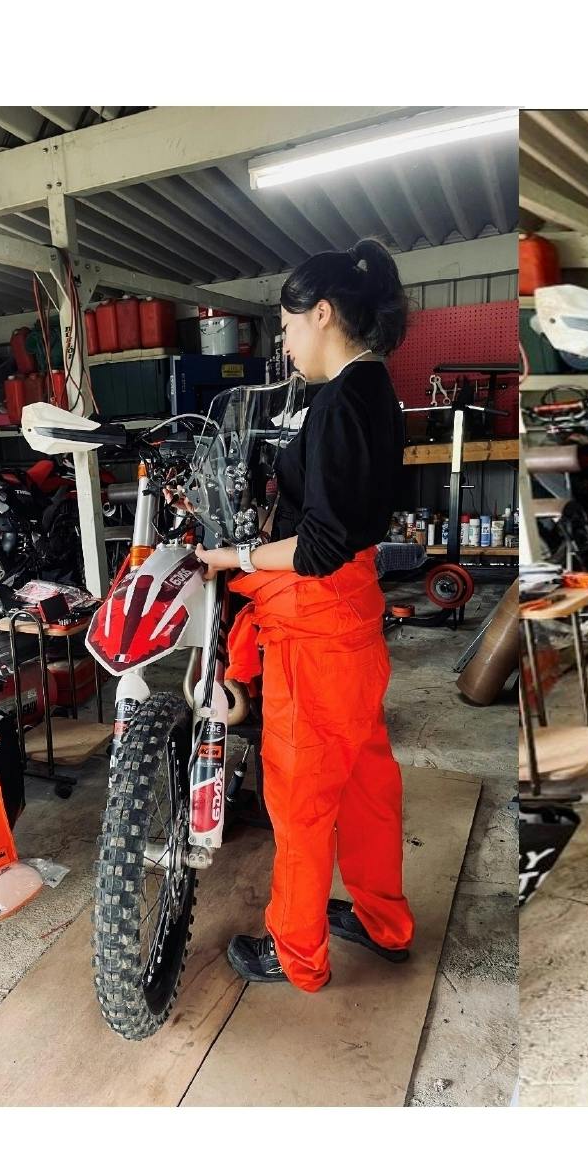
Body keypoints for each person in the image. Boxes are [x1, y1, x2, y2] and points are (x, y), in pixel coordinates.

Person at [193, 239, 414, 991]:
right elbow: (343, 526)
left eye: (287, 327)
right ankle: (383, 922)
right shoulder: (376, 389)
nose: (284, 344)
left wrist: (237, 557)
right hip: (352, 624)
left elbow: (318, 546)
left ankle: (296, 954)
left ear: (322, 314)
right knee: (366, 786)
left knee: (302, 802)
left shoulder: (340, 402)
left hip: (316, 631)